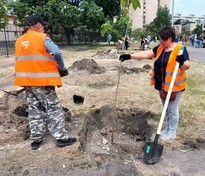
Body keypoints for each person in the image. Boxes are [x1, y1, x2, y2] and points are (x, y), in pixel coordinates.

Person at [14, 14, 76, 150]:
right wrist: (61, 68)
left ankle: (36, 140)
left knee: (34, 109)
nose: (43, 27)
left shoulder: (19, 40)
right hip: (43, 81)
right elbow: (57, 53)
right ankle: (61, 137)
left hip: (27, 82)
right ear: (37, 24)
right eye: (41, 24)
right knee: (54, 108)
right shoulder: (43, 38)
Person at [119, 26, 191, 141]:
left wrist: (182, 61)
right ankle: (167, 128)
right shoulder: (160, 48)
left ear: (170, 39)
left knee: (172, 109)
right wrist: (130, 56)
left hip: (174, 86)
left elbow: (187, 65)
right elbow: (147, 54)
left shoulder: (180, 49)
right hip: (161, 85)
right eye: (160, 39)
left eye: (163, 39)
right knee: (166, 108)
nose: (160, 41)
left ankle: (172, 132)